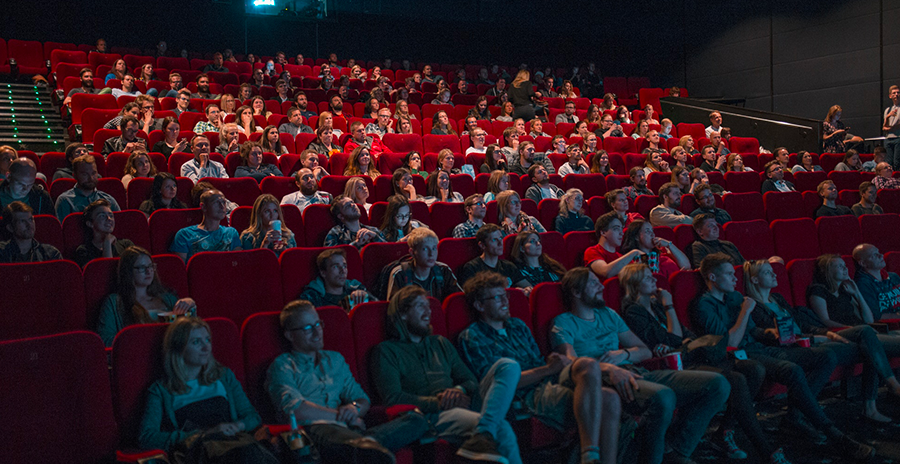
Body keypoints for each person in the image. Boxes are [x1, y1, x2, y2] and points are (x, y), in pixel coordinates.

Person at [693, 254, 874, 461]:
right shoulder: (704, 306)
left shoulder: (733, 298)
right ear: (712, 277)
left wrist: (770, 333)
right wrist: (745, 311)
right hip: (738, 356)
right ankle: (835, 435)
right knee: (792, 370)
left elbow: (753, 332)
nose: (735, 279)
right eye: (728, 274)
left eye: (734, 274)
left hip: (759, 347)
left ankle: (795, 418)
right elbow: (730, 342)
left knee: (825, 356)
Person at [551, 267, 730, 464]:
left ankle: (675, 450)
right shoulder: (563, 323)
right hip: (602, 380)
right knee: (663, 396)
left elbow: (644, 351)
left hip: (635, 370)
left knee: (718, 384)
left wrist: (623, 354)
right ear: (576, 292)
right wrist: (609, 368)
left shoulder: (608, 314)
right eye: (593, 283)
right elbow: (572, 363)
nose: (601, 286)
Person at [619, 263, 792, 464]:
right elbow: (675, 337)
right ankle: (765, 449)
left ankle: (726, 430)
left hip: (695, 356)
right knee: (735, 380)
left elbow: (686, 336)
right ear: (634, 283)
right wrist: (670, 307)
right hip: (676, 365)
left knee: (753, 369)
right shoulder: (634, 311)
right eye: (648, 278)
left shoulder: (656, 307)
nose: (654, 281)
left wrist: (678, 338)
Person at [457, 271, 618, 464]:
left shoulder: (517, 326)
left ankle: (591, 455)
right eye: (497, 297)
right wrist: (549, 369)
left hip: (548, 379)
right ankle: (589, 456)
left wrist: (553, 364)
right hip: (528, 394)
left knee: (588, 364)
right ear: (479, 305)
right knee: (608, 399)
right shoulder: (472, 336)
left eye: (505, 295)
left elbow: (539, 362)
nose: (505, 302)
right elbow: (499, 386)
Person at [371, 286, 522, 464]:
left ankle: (483, 433)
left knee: (508, 365)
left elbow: (470, 380)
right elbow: (393, 397)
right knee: (502, 428)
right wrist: (439, 402)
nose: (428, 312)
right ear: (403, 314)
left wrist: (459, 389)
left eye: (428, 306)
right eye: (420, 306)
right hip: (433, 414)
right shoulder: (387, 351)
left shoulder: (440, 342)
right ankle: (484, 432)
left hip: (465, 401)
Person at [266, 301, 425, 464]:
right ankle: (367, 448)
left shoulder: (335, 360)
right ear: (289, 335)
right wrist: (340, 417)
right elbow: (295, 409)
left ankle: (366, 445)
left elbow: (361, 399)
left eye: (318, 324)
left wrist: (353, 409)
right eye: (307, 328)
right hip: (314, 431)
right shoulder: (283, 365)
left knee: (416, 419)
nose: (317, 332)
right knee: (346, 440)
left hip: (346, 431)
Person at [745, 258, 900, 425]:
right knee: (868, 342)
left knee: (866, 335)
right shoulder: (754, 307)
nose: (775, 274)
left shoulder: (777, 299)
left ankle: (880, 398)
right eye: (768, 272)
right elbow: (778, 338)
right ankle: (882, 395)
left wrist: (827, 334)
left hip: (816, 339)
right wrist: (815, 338)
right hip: (802, 347)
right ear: (754, 279)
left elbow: (803, 324)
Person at [137, 318, 276, 463]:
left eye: (208, 340)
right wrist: (202, 434)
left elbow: (252, 417)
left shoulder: (224, 376)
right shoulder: (161, 390)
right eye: (196, 342)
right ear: (178, 348)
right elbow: (147, 437)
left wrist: (237, 425)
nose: (206, 347)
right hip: (199, 452)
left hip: (236, 445)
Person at [95, 246, 196, 346]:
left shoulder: (167, 298)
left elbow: (189, 331)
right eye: (142, 268)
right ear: (128, 271)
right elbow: (105, 340)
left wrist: (190, 306)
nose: (148, 271)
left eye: (150, 266)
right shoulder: (114, 302)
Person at [383, 228, 461, 301]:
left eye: (434, 248)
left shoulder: (443, 270)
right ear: (412, 252)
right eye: (425, 249)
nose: (431, 254)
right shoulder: (400, 274)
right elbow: (394, 309)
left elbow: (457, 300)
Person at [171, 189, 241, 262]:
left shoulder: (231, 233)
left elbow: (237, 264)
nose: (222, 206)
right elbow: (180, 268)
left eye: (223, 202)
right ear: (203, 206)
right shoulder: (185, 235)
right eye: (216, 202)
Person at [459, 224, 532, 291]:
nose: (500, 243)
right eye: (494, 240)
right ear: (482, 245)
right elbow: (472, 295)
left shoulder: (508, 266)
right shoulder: (472, 268)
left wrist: (525, 291)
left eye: (500, 238)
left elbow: (528, 287)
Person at [299, 248, 372, 311]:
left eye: (344, 266)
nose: (342, 271)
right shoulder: (312, 297)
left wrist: (366, 296)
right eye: (336, 266)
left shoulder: (356, 288)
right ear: (323, 273)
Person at [55, 155, 121, 222]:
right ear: (74, 175)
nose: (91, 178)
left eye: (93, 173)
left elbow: (119, 226)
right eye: (85, 174)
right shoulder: (65, 200)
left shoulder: (108, 200)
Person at [620, 220, 691, 279]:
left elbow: (686, 266)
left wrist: (669, 244)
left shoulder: (663, 253)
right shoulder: (633, 261)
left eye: (652, 231)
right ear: (636, 237)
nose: (652, 235)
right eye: (648, 231)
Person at [74, 199, 133, 267]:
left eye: (111, 215)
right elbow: (105, 272)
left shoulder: (125, 245)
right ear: (90, 223)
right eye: (102, 216)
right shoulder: (84, 251)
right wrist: (107, 243)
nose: (109, 219)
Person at [583, 213, 641, 279]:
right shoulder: (592, 251)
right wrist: (633, 253)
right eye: (616, 229)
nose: (621, 233)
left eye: (621, 229)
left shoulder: (620, 257)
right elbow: (606, 272)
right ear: (603, 232)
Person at [883, 85, 900, 168]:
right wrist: (887, 117)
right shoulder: (888, 110)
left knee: (897, 162)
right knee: (889, 162)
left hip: (898, 138)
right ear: (890, 96)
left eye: (898, 92)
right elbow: (884, 127)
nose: (896, 94)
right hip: (888, 138)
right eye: (894, 93)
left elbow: (898, 125)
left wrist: (890, 128)